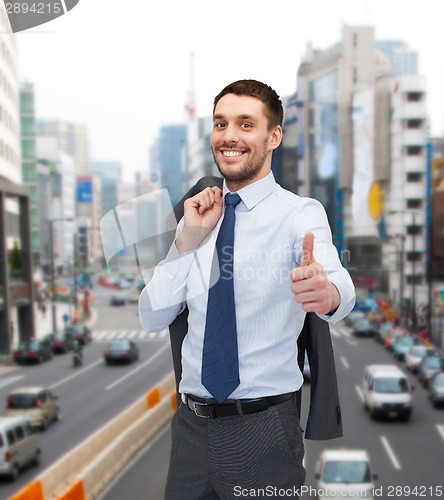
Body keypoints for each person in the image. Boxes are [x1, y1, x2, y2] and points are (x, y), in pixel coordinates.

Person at [139, 79, 355, 499]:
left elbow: (338, 286)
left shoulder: (299, 214)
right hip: (190, 429)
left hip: (264, 430)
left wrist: (325, 291)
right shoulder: (197, 215)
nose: (229, 136)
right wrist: (187, 243)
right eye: (220, 124)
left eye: (245, 124)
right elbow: (151, 315)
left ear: (274, 136)